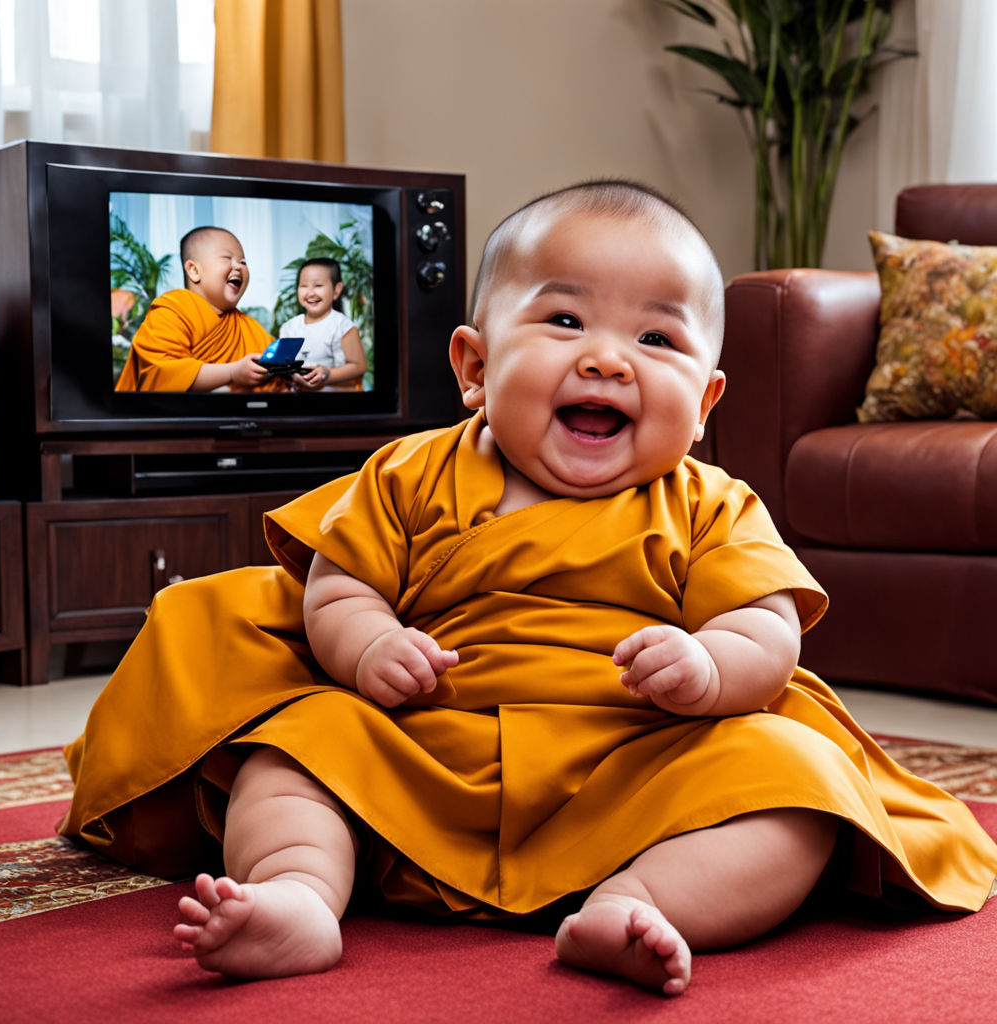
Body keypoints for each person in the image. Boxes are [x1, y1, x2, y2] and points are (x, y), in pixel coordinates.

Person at [63, 182, 997, 996]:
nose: (606, 358)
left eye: (656, 336)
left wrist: (710, 666)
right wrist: (372, 646)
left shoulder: (711, 504)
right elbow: (337, 589)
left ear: (707, 406)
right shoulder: (409, 474)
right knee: (292, 748)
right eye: (563, 321)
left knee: (797, 785)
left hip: (631, 763)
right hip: (419, 752)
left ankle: (634, 905)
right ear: (474, 368)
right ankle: (301, 893)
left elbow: (767, 627)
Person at [115, 226, 275, 392]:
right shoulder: (172, 310)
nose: (239, 266)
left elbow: (274, 378)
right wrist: (232, 373)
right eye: (227, 258)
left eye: (243, 262)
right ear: (194, 271)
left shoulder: (248, 327)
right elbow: (163, 372)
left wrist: (294, 379)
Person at [276, 258, 367, 391]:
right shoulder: (289, 327)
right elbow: (283, 366)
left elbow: (359, 366)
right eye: (304, 286)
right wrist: (292, 376)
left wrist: (327, 374)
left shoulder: (342, 326)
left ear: (336, 290)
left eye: (318, 285)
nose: (310, 293)